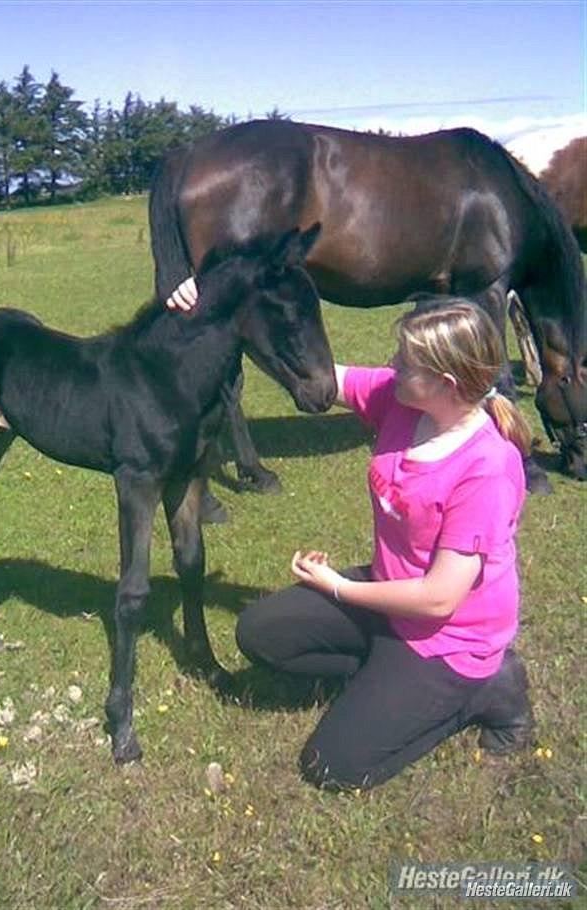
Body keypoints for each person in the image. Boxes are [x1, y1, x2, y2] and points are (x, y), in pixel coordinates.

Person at [167, 281, 535, 791]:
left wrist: (335, 586)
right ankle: (384, 678)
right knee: (260, 632)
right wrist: (222, 305)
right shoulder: (402, 400)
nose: (391, 365)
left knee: (332, 767)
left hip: (448, 638)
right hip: (390, 599)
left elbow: (439, 599)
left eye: (405, 362)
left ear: (447, 384)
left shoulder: (486, 467)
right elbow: (317, 377)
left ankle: (487, 691)